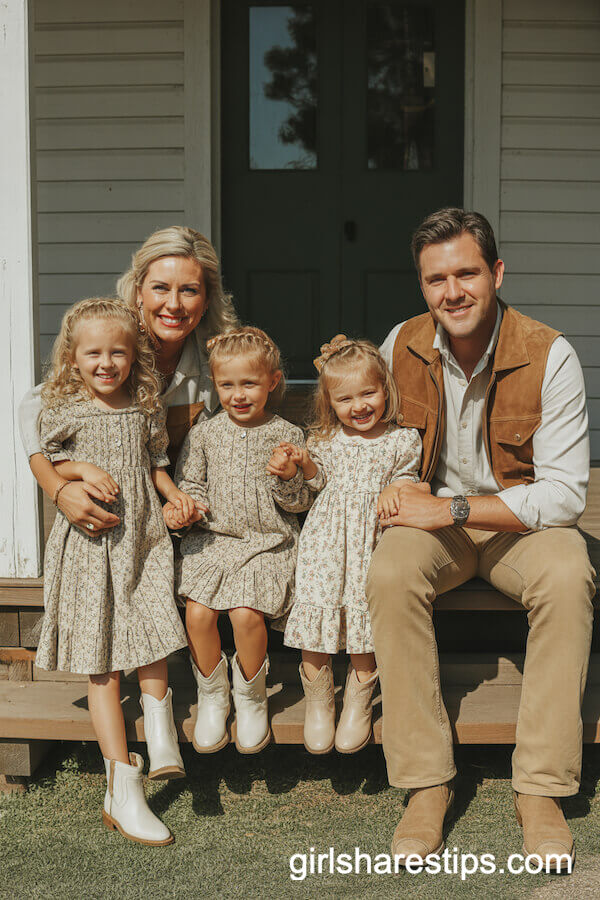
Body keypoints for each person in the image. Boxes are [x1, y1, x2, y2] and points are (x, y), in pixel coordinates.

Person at [367, 207, 594, 872]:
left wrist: (456, 508)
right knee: (389, 574)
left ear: (496, 273)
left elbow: (564, 494)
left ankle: (542, 789)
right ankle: (426, 782)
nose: (453, 292)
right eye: (436, 279)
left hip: (516, 523)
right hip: (434, 525)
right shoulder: (400, 345)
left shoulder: (550, 353)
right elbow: (376, 447)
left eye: (466, 272)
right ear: (423, 286)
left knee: (568, 574)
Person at [36, 298, 199, 846]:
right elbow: (46, 458)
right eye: (93, 353)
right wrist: (79, 469)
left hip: (146, 539)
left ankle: (159, 731)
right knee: (104, 664)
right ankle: (121, 787)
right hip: (92, 544)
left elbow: (156, 464)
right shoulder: (65, 406)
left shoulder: (148, 406)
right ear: (73, 357)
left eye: (118, 352)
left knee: (153, 634)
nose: (106, 363)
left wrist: (175, 496)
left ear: (135, 356)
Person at [19, 225, 238, 532]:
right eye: (160, 287)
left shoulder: (217, 361)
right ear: (138, 292)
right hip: (106, 521)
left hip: (174, 522)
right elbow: (35, 405)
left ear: (206, 300)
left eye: (189, 290)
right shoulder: (111, 345)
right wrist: (59, 489)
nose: (173, 304)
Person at [270, 336, 421, 755]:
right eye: (345, 398)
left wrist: (397, 485)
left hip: (369, 544)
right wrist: (298, 467)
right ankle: (320, 702)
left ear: (385, 390)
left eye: (368, 393)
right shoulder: (323, 440)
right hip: (325, 545)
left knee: (363, 628)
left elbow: (409, 475)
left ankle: (359, 698)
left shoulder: (401, 440)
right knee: (316, 629)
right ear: (330, 403)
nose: (359, 406)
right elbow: (316, 483)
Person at [167, 327, 314, 754]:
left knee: (246, 614)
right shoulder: (205, 433)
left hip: (269, 542)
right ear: (215, 384)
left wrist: (288, 478)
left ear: (272, 380)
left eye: (249, 383)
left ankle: (251, 697)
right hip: (213, 542)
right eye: (227, 385)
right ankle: (213, 694)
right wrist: (188, 507)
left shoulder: (287, 435)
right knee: (198, 614)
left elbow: (300, 504)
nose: (238, 394)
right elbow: (190, 483)